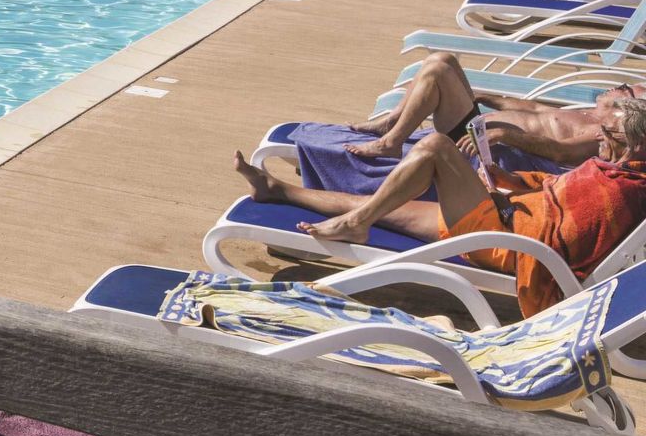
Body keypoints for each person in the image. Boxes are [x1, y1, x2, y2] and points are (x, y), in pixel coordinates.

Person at [231, 96, 646, 314]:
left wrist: (509, 205)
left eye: (607, 133)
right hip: (507, 224)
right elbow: (556, 194)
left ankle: (356, 223)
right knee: (382, 205)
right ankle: (278, 191)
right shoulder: (620, 174)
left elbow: (562, 242)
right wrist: (511, 184)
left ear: (636, 144)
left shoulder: (620, 191)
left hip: (510, 244)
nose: (598, 137)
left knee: (435, 148)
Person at [343, 53, 636, 163]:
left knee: (436, 72)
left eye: (622, 88)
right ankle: (391, 123)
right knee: (443, 60)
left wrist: (505, 136)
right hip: (482, 123)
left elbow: (560, 152)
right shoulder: (585, 113)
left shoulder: (602, 132)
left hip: (482, 140)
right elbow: (531, 106)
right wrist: (483, 95)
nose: (614, 88)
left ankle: (391, 143)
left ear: (626, 105)